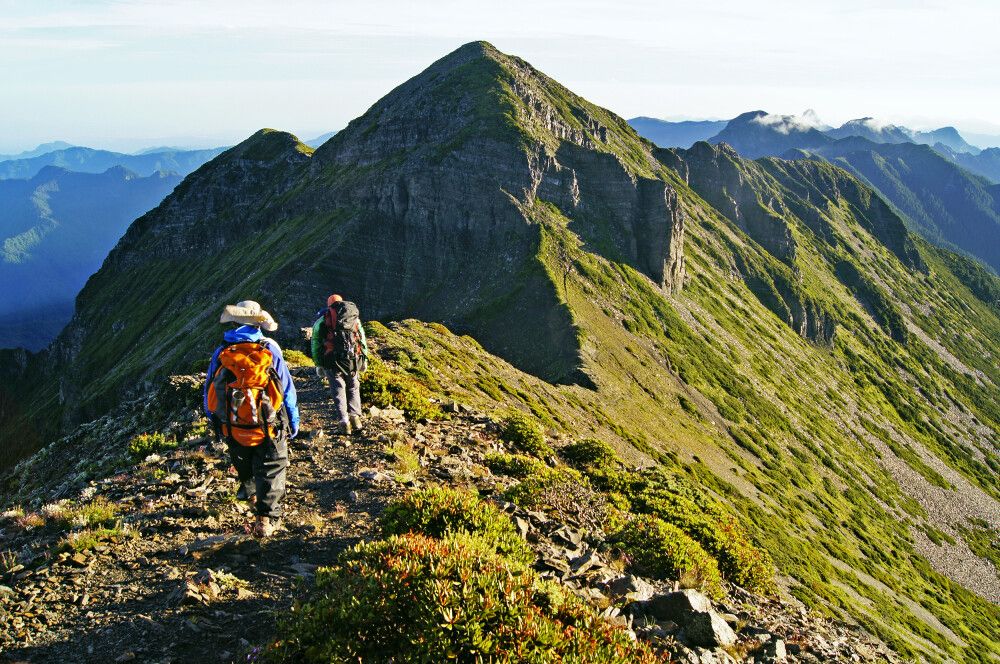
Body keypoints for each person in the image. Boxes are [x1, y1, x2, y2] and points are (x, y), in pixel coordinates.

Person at [204, 300, 300, 538]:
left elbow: (209, 389)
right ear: (258, 322)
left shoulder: (223, 350)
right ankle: (266, 519)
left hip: (233, 424)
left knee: (244, 462)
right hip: (269, 423)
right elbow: (286, 389)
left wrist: (216, 420)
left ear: (235, 320)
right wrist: (293, 421)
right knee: (272, 466)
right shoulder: (270, 347)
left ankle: (252, 494)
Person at [311, 294, 368, 435]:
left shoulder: (322, 321)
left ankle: (344, 423)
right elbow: (362, 340)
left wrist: (319, 364)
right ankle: (356, 418)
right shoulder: (354, 320)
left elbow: (316, 344)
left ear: (329, 305)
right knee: (354, 387)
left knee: (338, 390)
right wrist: (364, 360)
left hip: (332, 361)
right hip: (352, 360)